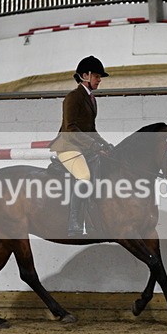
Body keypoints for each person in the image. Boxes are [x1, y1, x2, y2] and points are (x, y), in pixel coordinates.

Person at [50, 56, 114, 237]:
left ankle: (92, 221)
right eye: (97, 76)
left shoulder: (91, 99)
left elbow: (91, 129)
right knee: (84, 177)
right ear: (85, 75)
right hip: (67, 146)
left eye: (99, 77)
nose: (99, 80)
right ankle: (74, 222)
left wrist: (104, 144)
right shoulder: (73, 97)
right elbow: (70, 128)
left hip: (83, 147)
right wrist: (94, 145)